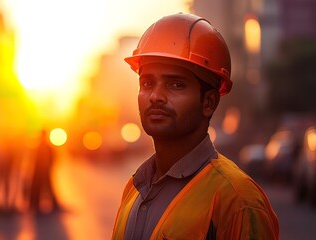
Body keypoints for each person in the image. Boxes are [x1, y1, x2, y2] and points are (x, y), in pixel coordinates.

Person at [112, 13, 279, 239]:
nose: (156, 96)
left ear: (208, 102)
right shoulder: (134, 189)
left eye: (176, 84)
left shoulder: (237, 199)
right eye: (148, 83)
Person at [28, 129, 60, 215]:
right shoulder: (41, 146)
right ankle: (35, 204)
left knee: (46, 188)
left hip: (44, 170)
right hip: (39, 170)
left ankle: (51, 204)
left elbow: (53, 157)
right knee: (39, 188)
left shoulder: (45, 146)